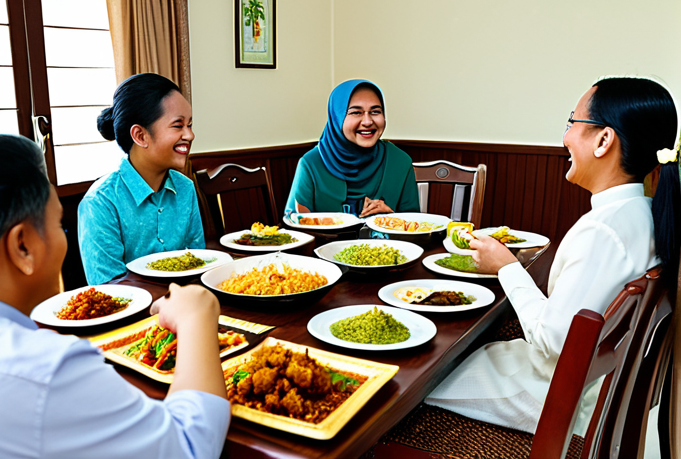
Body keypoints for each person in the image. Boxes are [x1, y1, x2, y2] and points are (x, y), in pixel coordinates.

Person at [0, 135, 230, 459]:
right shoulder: (46, 369)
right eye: (58, 224)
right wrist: (196, 318)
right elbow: (189, 447)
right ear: (22, 246)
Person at [426, 77, 681, 435]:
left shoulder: (603, 232)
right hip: (594, 386)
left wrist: (507, 268)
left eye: (571, 123)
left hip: (558, 400)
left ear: (604, 140)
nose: (565, 137)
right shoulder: (648, 214)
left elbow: (553, 340)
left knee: (416, 383)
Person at [79, 73, 205, 285]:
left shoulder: (186, 188)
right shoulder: (100, 202)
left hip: (186, 307)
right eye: (178, 125)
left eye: (190, 125)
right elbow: (109, 288)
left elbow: (200, 262)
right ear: (140, 135)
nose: (190, 135)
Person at [285, 79, 420, 217]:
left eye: (375, 112)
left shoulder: (400, 162)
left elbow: (415, 228)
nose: (367, 122)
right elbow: (294, 223)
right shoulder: (311, 163)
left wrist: (391, 219)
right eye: (356, 112)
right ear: (337, 117)